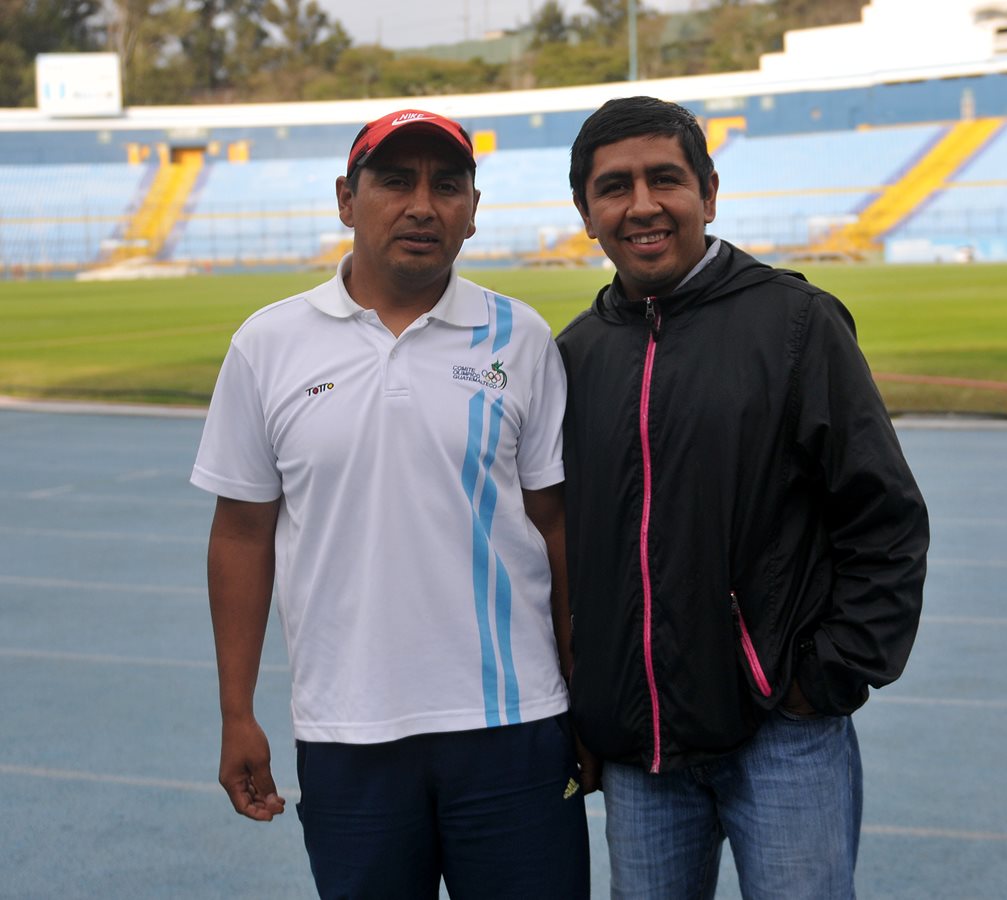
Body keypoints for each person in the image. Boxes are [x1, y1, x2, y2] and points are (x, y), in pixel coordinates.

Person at [191, 108, 589, 899]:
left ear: (473, 211)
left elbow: (555, 525)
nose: (423, 205)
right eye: (395, 181)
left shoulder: (521, 336)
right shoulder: (267, 345)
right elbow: (241, 535)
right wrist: (237, 711)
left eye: (447, 186)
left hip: (513, 725)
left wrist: (584, 698)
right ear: (347, 198)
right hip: (349, 731)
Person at [556, 96, 930, 899]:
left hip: (781, 735)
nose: (644, 204)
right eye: (614, 187)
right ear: (586, 213)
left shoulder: (797, 324)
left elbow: (885, 519)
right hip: (642, 748)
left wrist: (821, 680)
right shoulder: (576, 355)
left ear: (709, 192)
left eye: (666, 179)